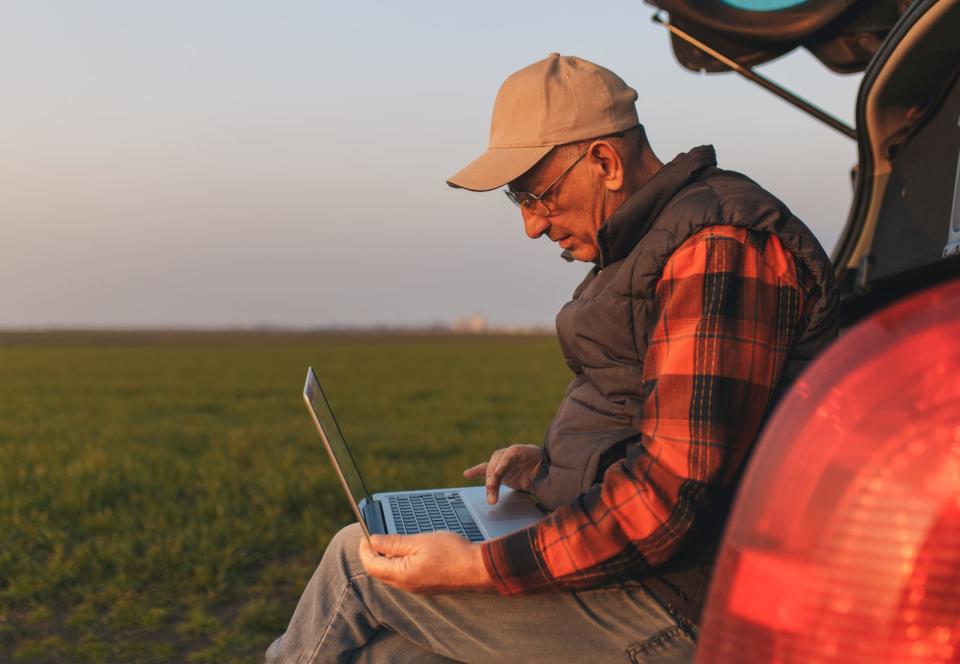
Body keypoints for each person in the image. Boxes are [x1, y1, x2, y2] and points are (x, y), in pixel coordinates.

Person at [266, 53, 837, 663]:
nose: (532, 227)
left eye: (537, 195)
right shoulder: (652, 243)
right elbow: (673, 432)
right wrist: (555, 467)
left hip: (693, 608)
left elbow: (671, 499)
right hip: (656, 578)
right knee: (391, 657)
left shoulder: (718, 249)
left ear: (604, 162)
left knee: (357, 562)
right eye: (517, 199)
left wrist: (477, 566)